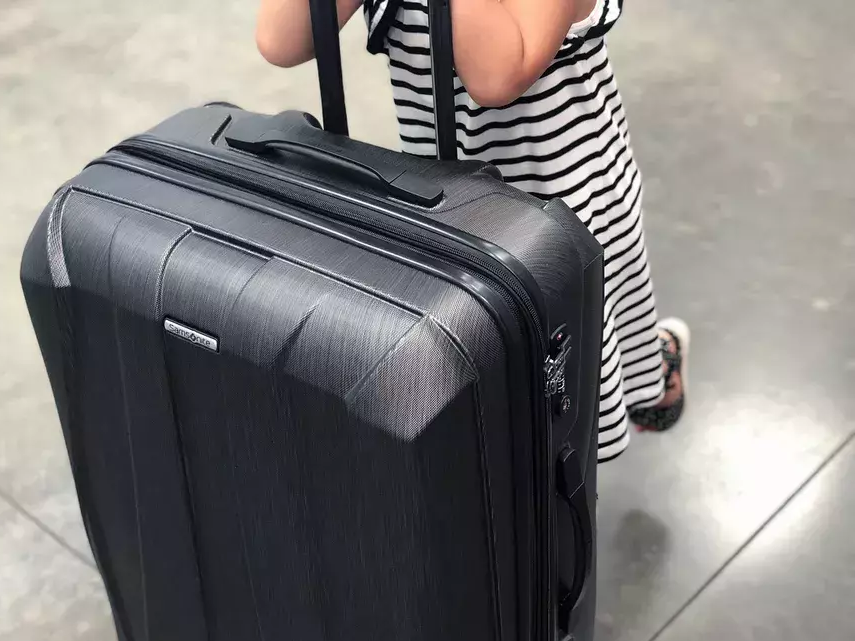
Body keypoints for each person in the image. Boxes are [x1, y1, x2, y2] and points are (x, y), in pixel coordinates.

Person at [255, 0, 689, 460]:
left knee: (571, 407)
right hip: (454, 214)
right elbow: (281, 39)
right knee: (500, 405)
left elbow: (497, 74)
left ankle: (657, 379)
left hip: (564, 211)